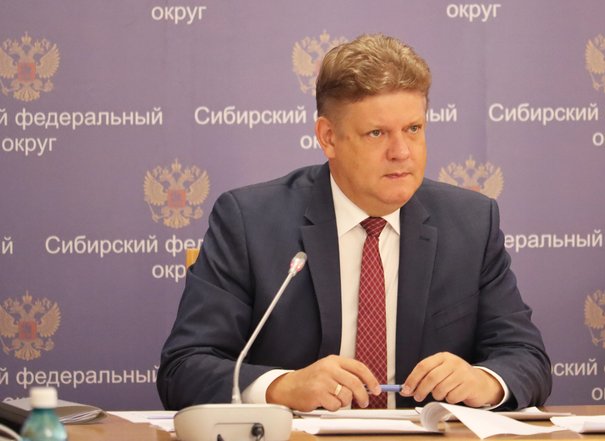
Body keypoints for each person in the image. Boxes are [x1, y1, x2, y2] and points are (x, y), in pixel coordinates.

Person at [157, 34, 551, 412]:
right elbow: (184, 369)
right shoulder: (250, 222)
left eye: (413, 129)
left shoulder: (471, 223)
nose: (402, 152)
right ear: (328, 138)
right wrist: (281, 388)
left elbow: (526, 357)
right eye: (377, 133)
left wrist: (484, 381)